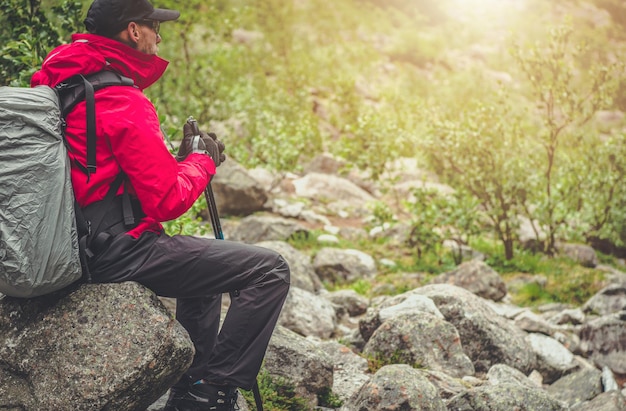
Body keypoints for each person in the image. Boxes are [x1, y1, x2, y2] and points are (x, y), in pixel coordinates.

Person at [30, 0, 290, 410]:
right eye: (154, 27)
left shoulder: (63, 84)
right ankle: (211, 392)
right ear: (134, 31)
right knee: (270, 269)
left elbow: (98, 169)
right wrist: (202, 161)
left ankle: (190, 388)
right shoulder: (120, 98)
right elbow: (168, 200)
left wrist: (179, 160)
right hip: (115, 252)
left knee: (204, 271)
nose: (159, 36)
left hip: (71, 241)